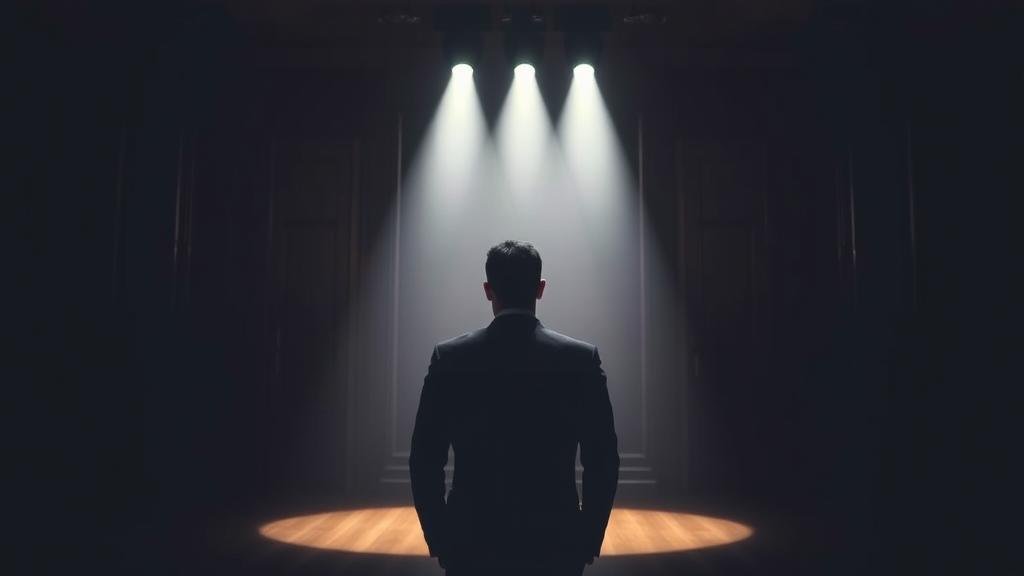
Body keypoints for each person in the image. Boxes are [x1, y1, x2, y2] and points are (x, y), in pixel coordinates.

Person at [410, 240, 620, 576]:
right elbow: (602, 458)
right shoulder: (580, 360)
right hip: (555, 538)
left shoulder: (449, 358)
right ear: (540, 289)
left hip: (471, 539)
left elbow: (424, 458)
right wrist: (587, 537)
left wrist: (441, 538)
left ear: (487, 290)